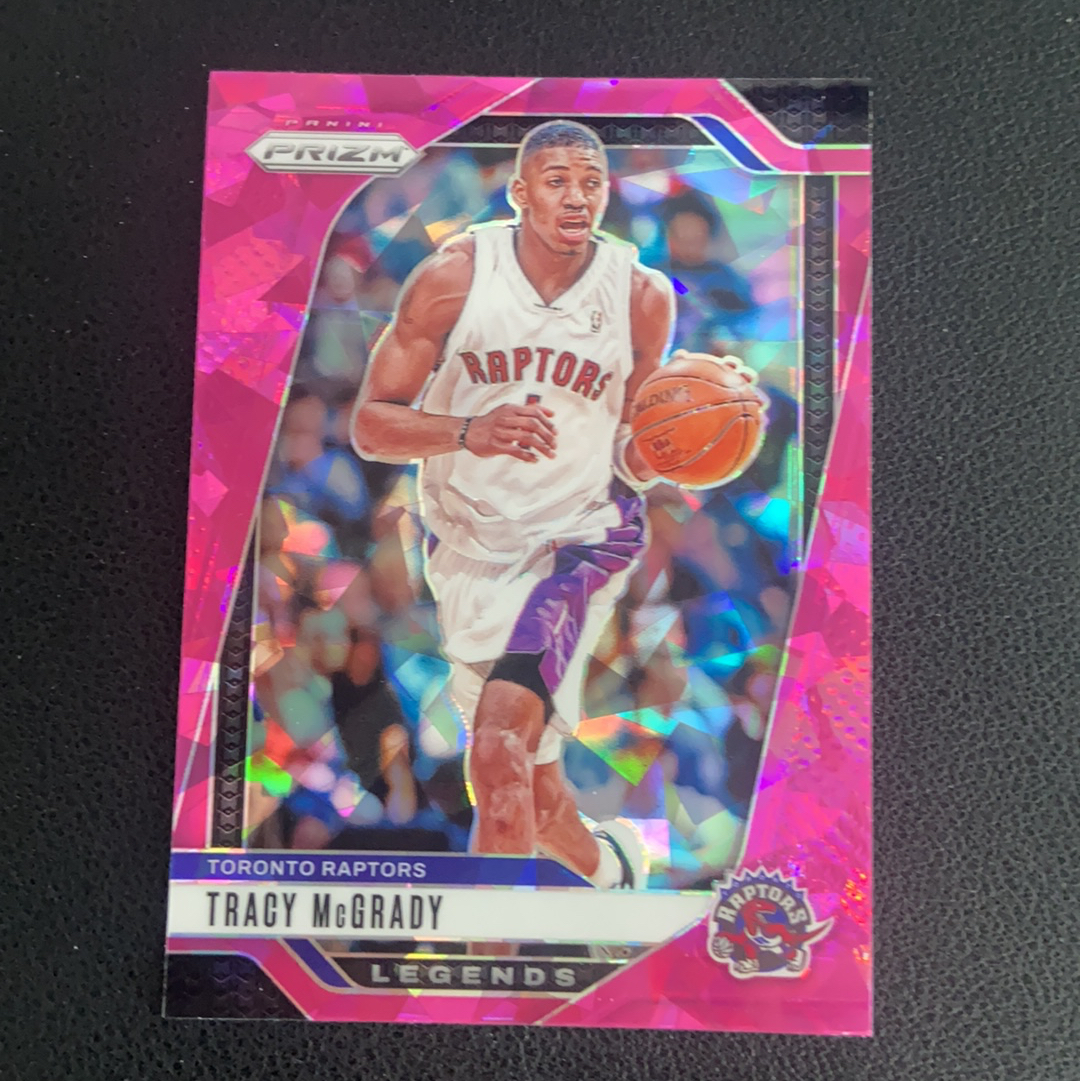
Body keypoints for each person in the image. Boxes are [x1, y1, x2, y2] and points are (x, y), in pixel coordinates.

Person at [350, 120, 731, 889]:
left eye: (591, 182)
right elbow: (370, 426)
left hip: (579, 542)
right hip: (467, 546)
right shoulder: (454, 277)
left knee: (497, 749)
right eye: (557, 181)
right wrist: (468, 430)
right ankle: (612, 873)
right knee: (530, 789)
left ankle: (488, 957)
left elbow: (630, 451)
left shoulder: (641, 296)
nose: (577, 197)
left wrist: (693, 437)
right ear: (520, 192)